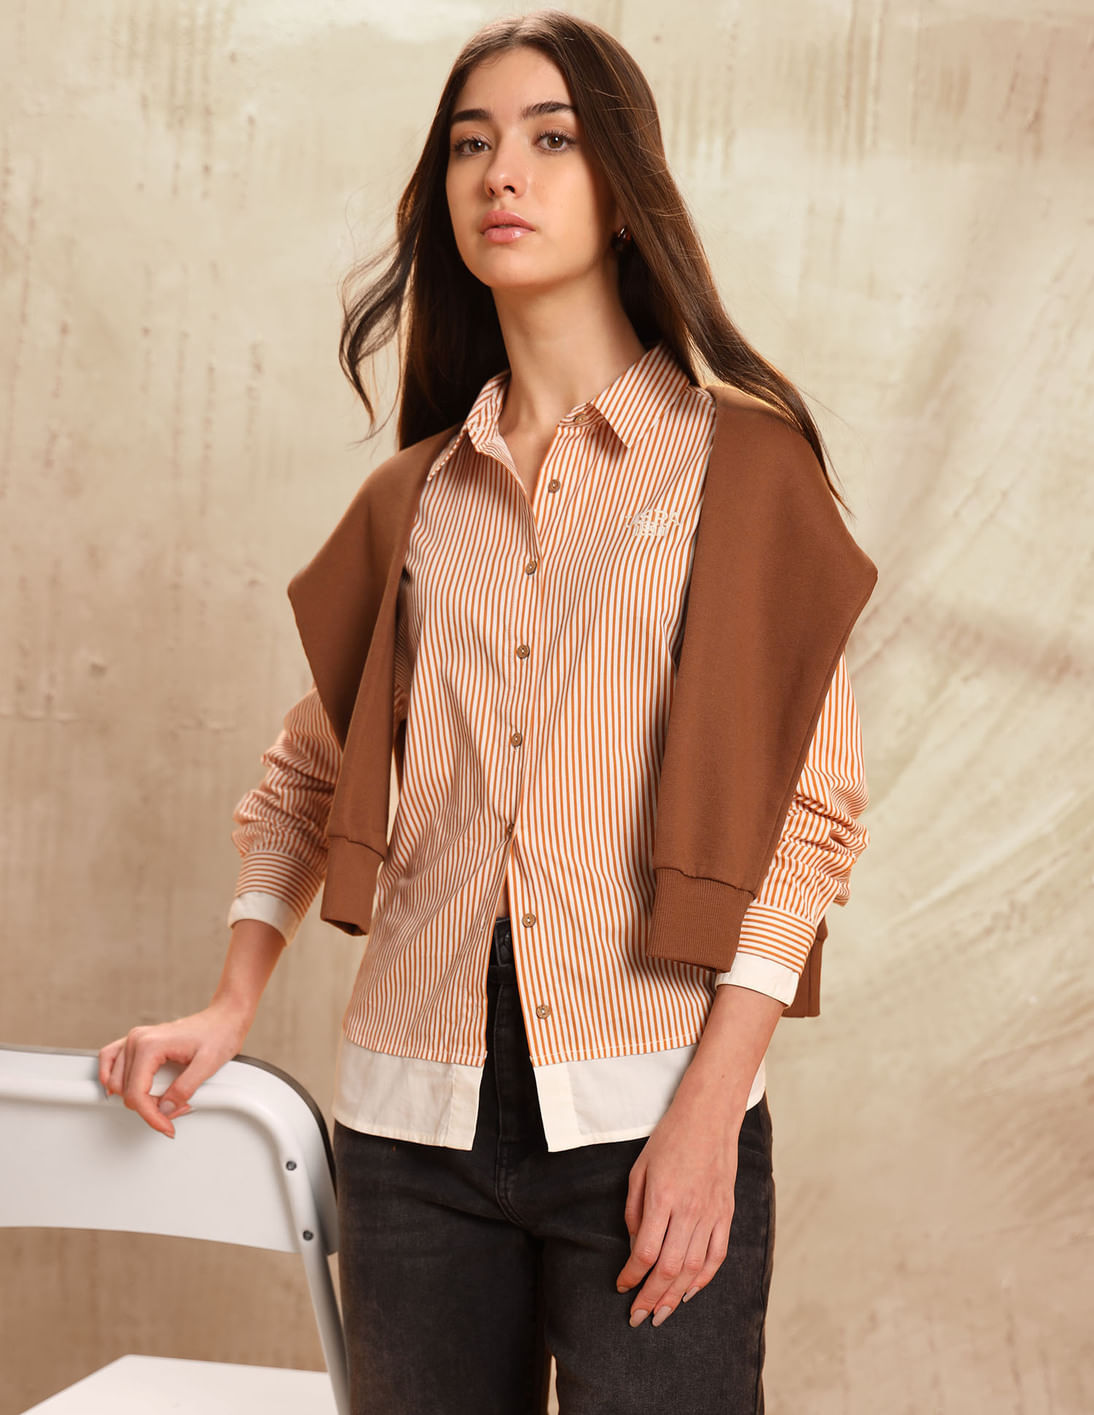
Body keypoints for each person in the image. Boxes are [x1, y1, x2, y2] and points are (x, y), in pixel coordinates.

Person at [99, 11, 876, 1413]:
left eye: (548, 139)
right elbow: (308, 775)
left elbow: (810, 818)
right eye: (470, 145)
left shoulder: (744, 471)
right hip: (410, 1135)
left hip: (651, 1109)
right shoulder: (414, 502)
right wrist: (231, 999)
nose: (499, 173)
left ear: (623, 192)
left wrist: (709, 1113)